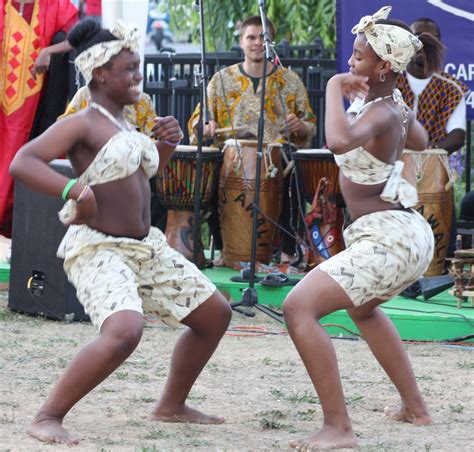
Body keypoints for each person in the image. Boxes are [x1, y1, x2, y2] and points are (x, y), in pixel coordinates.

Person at [9, 18, 232, 445]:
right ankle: (47, 415)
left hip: (145, 245)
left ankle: (171, 405)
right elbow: (24, 161)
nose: (138, 77)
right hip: (99, 248)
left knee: (214, 314)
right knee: (125, 331)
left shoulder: (127, 123)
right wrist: (73, 188)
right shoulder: (82, 122)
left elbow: (142, 182)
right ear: (99, 74)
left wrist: (166, 145)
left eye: (138, 68)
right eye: (129, 69)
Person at [282, 6, 434, 450]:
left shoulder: (383, 111)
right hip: (398, 231)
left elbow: (339, 141)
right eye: (352, 55)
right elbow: (421, 140)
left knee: (298, 308)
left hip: (392, 236)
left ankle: (338, 429)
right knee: (362, 309)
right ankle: (416, 409)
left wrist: (331, 87)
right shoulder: (391, 107)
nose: (351, 62)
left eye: (360, 56)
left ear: (384, 66)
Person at [188, 15, 317, 266]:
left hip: (277, 155)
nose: (257, 43)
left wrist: (301, 126)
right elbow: (198, 122)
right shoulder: (221, 80)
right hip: (231, 154)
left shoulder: (289, 81)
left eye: (263, 38)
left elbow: (310, 125)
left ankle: (289, 251)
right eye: (251, 37)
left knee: (295, 172)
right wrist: (205, 127)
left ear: (272, 43)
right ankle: (227, 249)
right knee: (212, 174)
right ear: (241, 41)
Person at [0, 0, 79, 238]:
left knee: (16, 166)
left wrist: (48, 51)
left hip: (31, 109)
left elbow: (77, 36)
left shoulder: (52, 4)